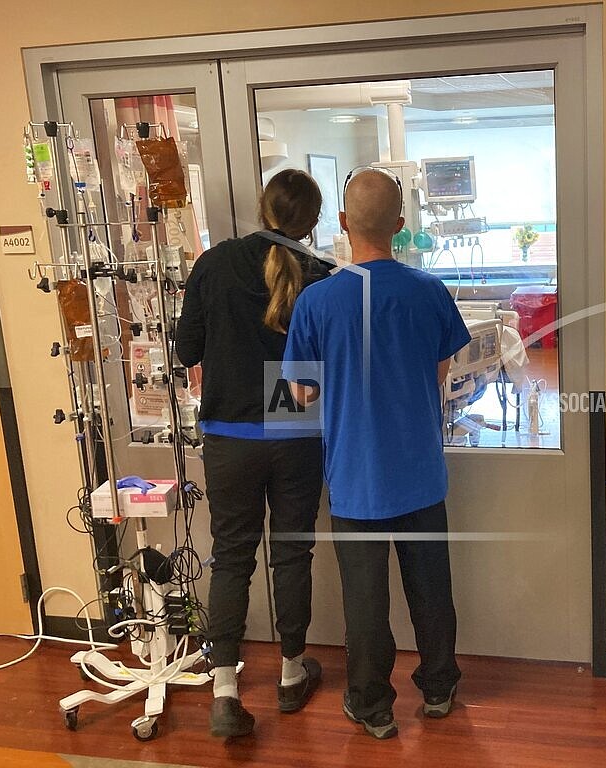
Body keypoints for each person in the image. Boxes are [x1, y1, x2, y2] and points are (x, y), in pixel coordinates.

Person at [283, 167, 470, 740]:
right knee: (430, 588)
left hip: (356, 479)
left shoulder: (316, 302)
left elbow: (299, 393)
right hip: (419, 474)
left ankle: (371, 705)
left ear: (342, 224)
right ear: (400, 223)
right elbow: (441, 374)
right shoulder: (430, 291)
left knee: (365, 602)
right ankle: (438, 689)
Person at [176, 169, 332, 738]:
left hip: (229, 430)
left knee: (232, 556)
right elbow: (324, 367)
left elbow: (187, 348)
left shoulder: (213, 265)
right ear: (312, 221)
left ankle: (224, 689)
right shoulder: (320, 275)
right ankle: (291, 676)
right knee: (291, 555)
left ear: (263, 208)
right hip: (292, 430)